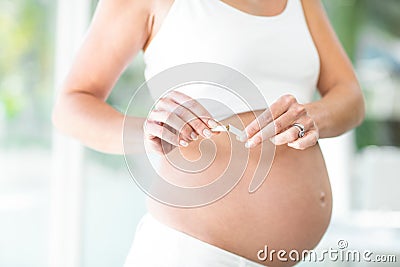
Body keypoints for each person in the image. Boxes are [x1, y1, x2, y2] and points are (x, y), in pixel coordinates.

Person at [52, 0, 365, 266]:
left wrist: (313, 116)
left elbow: (350, 95)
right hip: (192, 253)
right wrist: (148, 132)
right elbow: (70, 106)